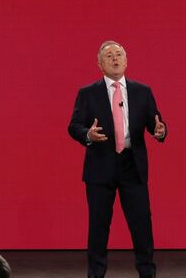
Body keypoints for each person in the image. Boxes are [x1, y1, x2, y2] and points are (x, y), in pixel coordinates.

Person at [68, 40, 167, 278]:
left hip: (132, 166)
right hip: (100, 166)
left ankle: (147, 273)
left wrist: (161, 132)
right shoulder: (87, 93)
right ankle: (96, 274)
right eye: (109, 55)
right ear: (100, 64)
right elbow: (74, 126)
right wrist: (87, 135)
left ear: (126, 60)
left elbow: (156, 123)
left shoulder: (142, 91)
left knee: (142, 224)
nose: (115, 58)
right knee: (99, 227)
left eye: (119, 54)